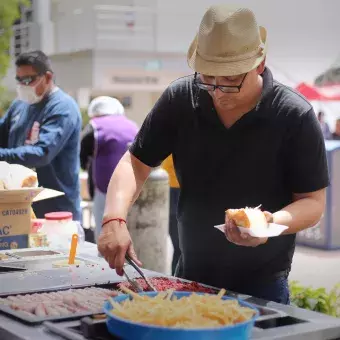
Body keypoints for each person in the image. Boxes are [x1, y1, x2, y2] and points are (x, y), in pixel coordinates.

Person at [97, 5, 328, 304]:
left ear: (259, 65)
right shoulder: (180, 98)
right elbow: (135, 163)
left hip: (262, 285)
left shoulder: (293, 114)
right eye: (208, 78)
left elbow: (312, 202)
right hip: (189, 276)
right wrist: (113, 218)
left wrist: (268, 224)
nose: (218, 91)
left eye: (231, 80)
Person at [0, 50, 82, 220]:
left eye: (28, 80)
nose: (23, 85)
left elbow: (42, 153)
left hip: (55, 211)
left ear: (48, 77)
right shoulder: (19, 105)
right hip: (19, 208)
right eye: (19, 80)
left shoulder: (62, 108)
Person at [80, 96, 138, 241]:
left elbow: (83, 153)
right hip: (134, 185)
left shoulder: (94, 126)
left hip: (104, 184)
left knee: (104, 225)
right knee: (129, 226)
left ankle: (105, 259)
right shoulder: (132, 125)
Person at [162, 155, 181, 275]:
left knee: (180, 249)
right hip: (173, 192)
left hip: (178, 191)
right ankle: (176, 279)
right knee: (180, 248)